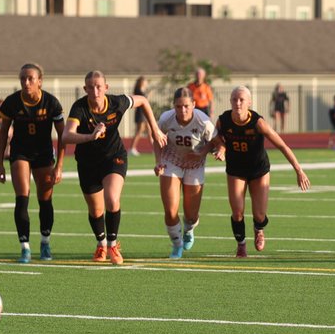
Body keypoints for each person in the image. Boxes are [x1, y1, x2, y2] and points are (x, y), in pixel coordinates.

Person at [60, 70, 164, 265]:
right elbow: (66, 136)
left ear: (106, 88)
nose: (95, 90)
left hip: (113, 157)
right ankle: (101, 244)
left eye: (99, 86)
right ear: (85, 89)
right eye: (90, 87)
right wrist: (90, 136)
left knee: (112, 198)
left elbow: (142, 100)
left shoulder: (117, 102)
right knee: (95, 209)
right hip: (87, 162)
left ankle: (113, 245)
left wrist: (155, 128)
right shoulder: (80, 108)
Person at [212, 85, 310, 257]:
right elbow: (216, 138)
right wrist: (220, 148)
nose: (238, 103)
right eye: (234, 99)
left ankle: (259, 229)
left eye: (242, 99)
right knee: (237, 211)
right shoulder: (223, 120)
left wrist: (298, 170)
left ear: (249, 102)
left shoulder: (258, 123)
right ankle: (241, 244)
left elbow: (281, 145)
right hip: (236, 169)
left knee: (259, 213)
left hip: (258, 169)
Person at [0, 64, 67, 263]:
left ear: (39, 81)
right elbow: (2, 134)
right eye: (22, 79)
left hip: (44, 155)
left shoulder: (51, 102)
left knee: (45, 200)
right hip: (20, 153)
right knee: (22, 197)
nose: (26, 83)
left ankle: (45, 242)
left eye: (30, 79)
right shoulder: (12, 102)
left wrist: (59, 166)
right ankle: (25, 247)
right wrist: (0, 164)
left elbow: (63, 135)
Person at [153, 87, 220, 258]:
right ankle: (177, 245)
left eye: (186, 106)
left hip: (195, 165)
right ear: (173, 106)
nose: (182, 110)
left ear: (194, 105)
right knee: (170, 210)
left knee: (191, 215)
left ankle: (189, 230)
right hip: (172, 161)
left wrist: (205, 152)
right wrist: (159, 161)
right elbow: (156, 136)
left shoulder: (203, 121)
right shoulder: (166, 118)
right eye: (178, 106)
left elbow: (216, 141)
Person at [128, 76, 150, 156]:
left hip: (144, 113)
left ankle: (154, 147)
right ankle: (132, 148)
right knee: (139, 130)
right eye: (145, 82)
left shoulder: (142, 90)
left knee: (150, 130)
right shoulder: (138, 90)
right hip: (140, 113)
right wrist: (148, 95)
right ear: (141, 82)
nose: (146, 83)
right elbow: (143, 100)